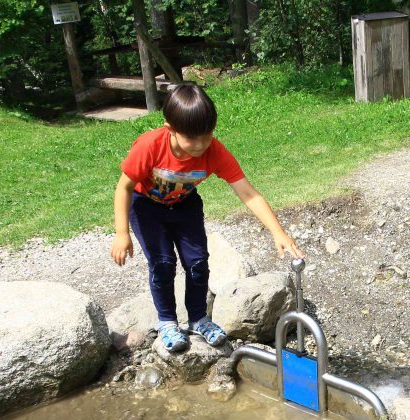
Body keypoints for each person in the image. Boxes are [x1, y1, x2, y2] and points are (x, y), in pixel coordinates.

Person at [110, 84, 304, 352]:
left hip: (185, 205)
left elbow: (247, 193)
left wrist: (277, 232)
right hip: (146, 207)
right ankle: (167, 321)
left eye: (207, 135)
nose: (201, 145)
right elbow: (124, 187)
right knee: (163, 263)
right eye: (193, 138)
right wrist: (122, 233)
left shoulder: (214, 151)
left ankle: (198, 318)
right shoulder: (150, 147)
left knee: (198, 262)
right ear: (170, 128)